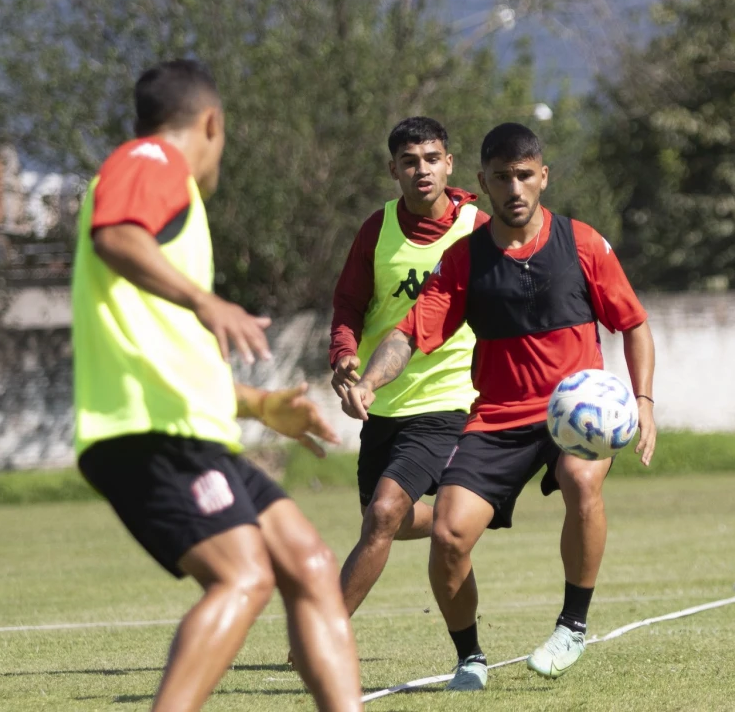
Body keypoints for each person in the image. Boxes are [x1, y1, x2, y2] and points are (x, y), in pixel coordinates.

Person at [72, 59, 363, 712]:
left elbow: (170, 351)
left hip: (189, 432)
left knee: (309, 563)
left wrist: (259, 404)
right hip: (149, 432)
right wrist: (207, 300)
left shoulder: (173, 215)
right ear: (211, 122)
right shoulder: (151, 160)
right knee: (243, 574)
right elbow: (115, 234)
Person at [343, 122, 657, 691]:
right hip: (497, 417)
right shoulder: (464, 259)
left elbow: (633, 324)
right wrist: (368, 382)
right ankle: (470, 658)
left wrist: (644, 402)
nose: (514, 188)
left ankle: (572, 626)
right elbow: (409, 334)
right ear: (482, 181)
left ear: (543, 177)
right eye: (502, 177)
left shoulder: (582, 243)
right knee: (448, 534)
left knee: (580, 480)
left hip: (575, 413)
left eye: (524, 176)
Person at [327, 116, 489, 618]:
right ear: (393, 169)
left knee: (382, 513)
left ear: (449, 164)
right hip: (380, 401)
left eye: (432, 159)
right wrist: (344, 353)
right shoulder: (376, 229)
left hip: (447, 400)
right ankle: (454, 517)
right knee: (383, 519)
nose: (423, 170)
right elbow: (349, 305)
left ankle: (320, 637)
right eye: (410, 161)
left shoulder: (478, 231)